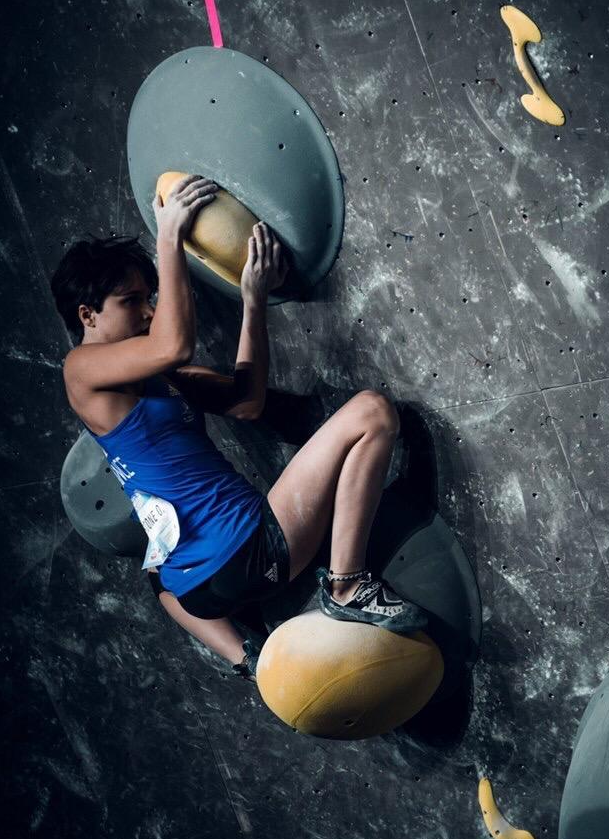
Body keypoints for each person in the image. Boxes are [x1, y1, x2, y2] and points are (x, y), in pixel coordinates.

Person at [51, 174, 431, 682]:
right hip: (254, 551)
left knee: (156, 568)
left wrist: (253, 299)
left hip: (197, 592)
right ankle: (347, 585)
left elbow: (246, 401)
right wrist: (169, 236)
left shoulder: (164, 378)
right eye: (133, 301)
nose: (148, 311)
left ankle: (246, 657)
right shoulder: (80, 367)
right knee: (374, 413)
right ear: (87, 314)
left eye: (149, 298)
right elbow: (172, 344)